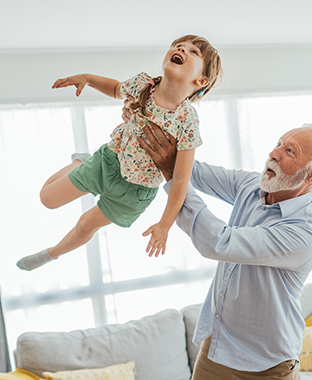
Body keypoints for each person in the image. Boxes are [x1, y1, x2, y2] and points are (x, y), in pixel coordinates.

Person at [136, 121, 312, 379]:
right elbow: (192, 171)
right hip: (217, 348)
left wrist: (170, 172)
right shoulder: (253, 186)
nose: (274, 153)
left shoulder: (303, 233)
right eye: (278, 143)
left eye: (290, 151)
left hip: (267, 365)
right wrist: (156, 130)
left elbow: (219, 242)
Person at [16, 35, 222, 271]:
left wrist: (165, 224)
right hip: (108, 163)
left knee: (85, 224)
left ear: (201, 80)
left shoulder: (188, 120)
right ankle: (80, 162)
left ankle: (51, 254)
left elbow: (181, 179)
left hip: (134, 194)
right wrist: (87, 78)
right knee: (47, 199)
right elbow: (115, 89)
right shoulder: (144, 84)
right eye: (178, 46)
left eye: (193, 51)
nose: (181, 49)